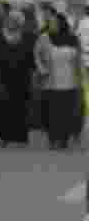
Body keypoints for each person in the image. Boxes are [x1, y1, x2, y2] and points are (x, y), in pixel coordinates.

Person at [35, 11, 83, 150]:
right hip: (51, 82)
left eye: (54, 22)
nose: (51, 25)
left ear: (61, 23)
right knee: (52, 112)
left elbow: (78, 59)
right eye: (50, 23)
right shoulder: (44, 38)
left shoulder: (73, 38)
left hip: (70, 82)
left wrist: (80, 76)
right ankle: (53, 138)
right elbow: (36, 54)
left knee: (67, 112)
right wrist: (42, 68)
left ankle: (64, 138)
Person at [0, 10, 36, 146]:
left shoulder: (29, 37)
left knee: (21, 107)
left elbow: (32, 58)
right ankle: (2, 136)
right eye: (11, 19)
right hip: (2, 76)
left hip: (22, 77)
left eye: (17, 20)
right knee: (2, 106)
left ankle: (20, 137)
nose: (13, 22)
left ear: (21, 23)